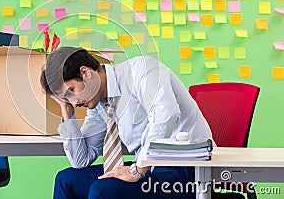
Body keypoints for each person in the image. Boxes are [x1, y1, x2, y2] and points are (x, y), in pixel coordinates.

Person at [40, 46, 213, 199]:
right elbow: (81, 160)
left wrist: (137, 171)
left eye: (71, 92)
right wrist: (67, 112)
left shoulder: (141, 70)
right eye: (66, 98)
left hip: (185, 167)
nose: (74, 102)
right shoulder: (98, 104)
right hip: (147, 167)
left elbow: (166, 114)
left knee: (102, 191)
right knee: (66, 181)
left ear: (85, 72)